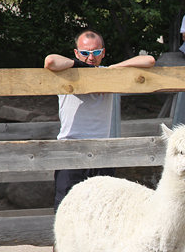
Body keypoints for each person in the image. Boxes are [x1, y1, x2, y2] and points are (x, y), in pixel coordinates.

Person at [44, 28, 156, 210]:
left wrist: (112, 70)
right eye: (85, 53)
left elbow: (149, 60)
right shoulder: (66, 73)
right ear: (76, 53)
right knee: (66, 209)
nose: (91, 57)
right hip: (70, 150)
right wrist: (81, 67)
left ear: (103, 53)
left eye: (96, 52)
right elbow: (50, 61)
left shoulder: (108, 74)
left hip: (103, 151)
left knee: (103, 210)